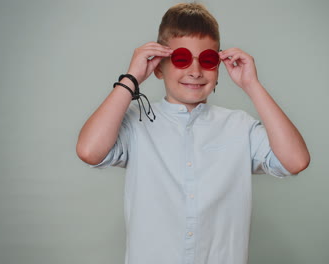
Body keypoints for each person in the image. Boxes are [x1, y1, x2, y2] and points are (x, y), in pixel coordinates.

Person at [76, 3, 310, 264]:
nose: (196, 72)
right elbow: (89, 151)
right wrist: (131, 77)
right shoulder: (136, 122)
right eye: (181, 59)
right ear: (158, 67)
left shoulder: (239, 127)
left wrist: (251, 84)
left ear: (218, 68)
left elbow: (296, 161)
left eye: (208, 61)